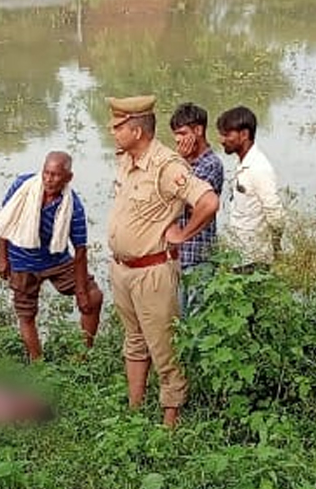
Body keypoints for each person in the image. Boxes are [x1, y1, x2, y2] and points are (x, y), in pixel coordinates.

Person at [105, 94, 218, 428]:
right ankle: (135, 410)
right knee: (134, 341)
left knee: (163, 346)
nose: (113, 132)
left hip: (152, 271)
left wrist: (183, 235)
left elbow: (208, 202)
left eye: (118, 127)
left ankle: (171, 418)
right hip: (123, 268)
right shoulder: (127, 159)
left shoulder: (167, 166)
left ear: (137, 131)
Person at [0, 150, 104, 361]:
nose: (48, 179)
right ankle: (38, 362)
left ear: (68, 178)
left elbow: (80, 250)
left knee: (93, 297)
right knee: (26, 313)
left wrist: (81, 290)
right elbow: (5, 220)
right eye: (46, 173)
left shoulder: (73, 205)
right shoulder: (23, 186)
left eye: (55, 175)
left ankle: (82, 357)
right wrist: (2, 256)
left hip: (55, 258)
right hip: (22, 258)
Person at [169, 103, 224, 317]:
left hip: (198, 256)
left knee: (197, 321)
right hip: (178, 258)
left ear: (198, 131)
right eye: (176, 134)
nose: (178, 140)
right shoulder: (183, 165)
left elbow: (193, 206)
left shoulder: (211, 164)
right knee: (178, 320)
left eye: (183, 133)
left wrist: (180, 164)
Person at [216, 105, 286, 270]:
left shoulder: (259, 168)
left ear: (244, 134)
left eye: (227, 135)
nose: (222, 140)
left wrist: (274, 247)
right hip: (240, 255)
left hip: (254, 259)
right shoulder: (242, 163)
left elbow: (276, 214)